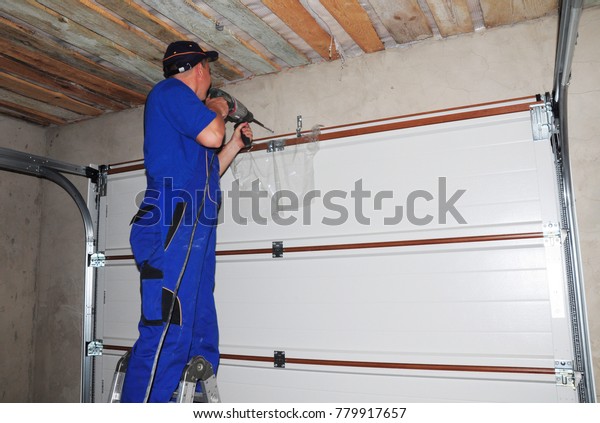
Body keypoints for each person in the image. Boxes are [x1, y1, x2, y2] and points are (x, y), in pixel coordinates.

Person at [121, 40, 252, 403]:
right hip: (170, 227)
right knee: (167, 328)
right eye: (209, 71)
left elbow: (210, 168)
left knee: (199, 325)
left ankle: (191, 399)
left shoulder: (187, 126)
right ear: (200, 70)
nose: (210, 79)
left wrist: (236, 145)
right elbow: (212, 132)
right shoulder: (169, 92)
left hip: (192, 233)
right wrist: (220, 107)